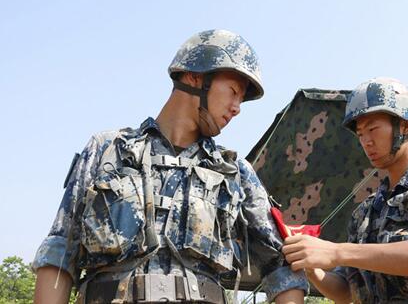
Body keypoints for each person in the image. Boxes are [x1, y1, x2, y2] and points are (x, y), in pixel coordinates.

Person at [33, 29, 307, 304]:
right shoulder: (108, 149)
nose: (237, 108)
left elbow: (283, 266)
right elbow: (60, 251)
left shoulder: (235, 172)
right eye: (234, 91)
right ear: (195, 76)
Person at [282, 78, 408, 303]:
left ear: (405, 125)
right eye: (360, 134)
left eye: (373, 129)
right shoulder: (365, 212)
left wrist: (338, 252)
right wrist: (313, 268)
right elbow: (346, 292)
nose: (366, 141)